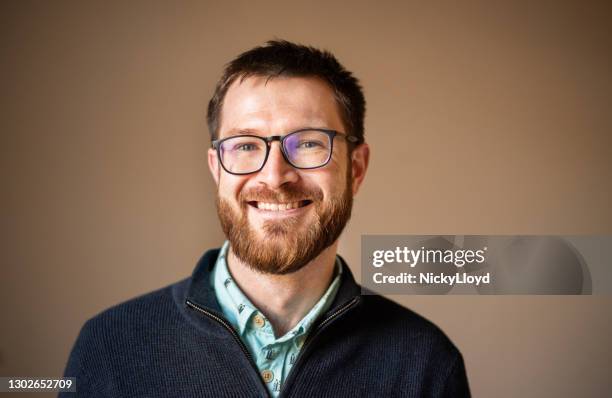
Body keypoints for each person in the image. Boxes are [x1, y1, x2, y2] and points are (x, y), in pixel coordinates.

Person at [61, 40, 470, 397]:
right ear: (216, 168)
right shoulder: (111, 347)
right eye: (245, 146)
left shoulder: (426, 363)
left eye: (309, 143)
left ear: (356, 168)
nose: (275, 176)